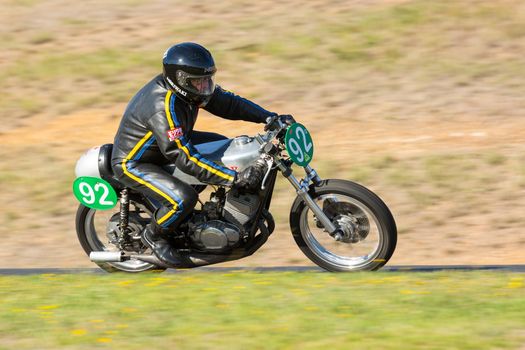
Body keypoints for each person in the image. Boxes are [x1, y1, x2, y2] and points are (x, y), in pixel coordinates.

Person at [111, 42, 293, 265]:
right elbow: (182, 155)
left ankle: (214, 217)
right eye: (199, 81)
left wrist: (269, 118)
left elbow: (230, 104)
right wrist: (233, 179)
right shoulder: (162, 105)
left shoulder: (191, 91)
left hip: (162, 148)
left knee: (223, 146)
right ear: (180, 79)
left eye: (208, 79)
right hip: (135, 162)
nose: (205, 86)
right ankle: (155, 236)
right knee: (183, 199)